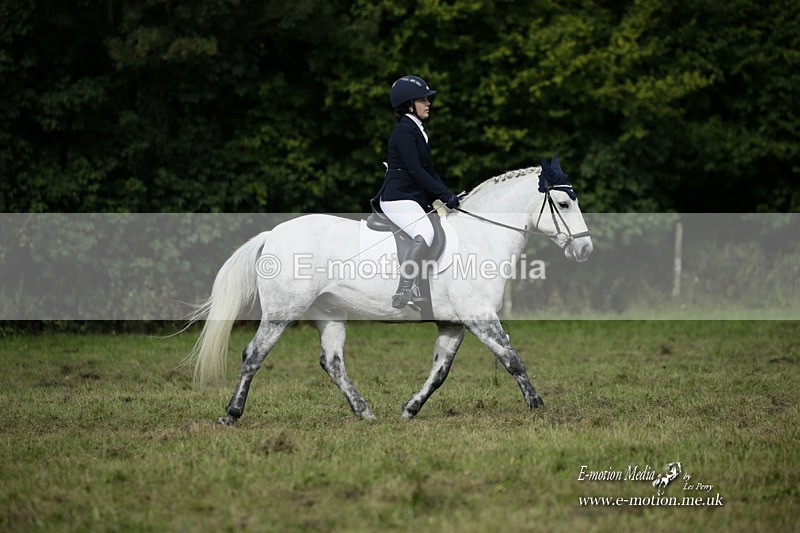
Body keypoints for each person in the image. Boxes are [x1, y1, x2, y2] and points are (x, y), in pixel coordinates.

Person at [371, 75, 460, 309]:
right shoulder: (404, 131)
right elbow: (416, 171)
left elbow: (429, 170)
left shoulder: (418, 129)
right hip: (397, 196)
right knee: (425, 231)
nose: (428, 103)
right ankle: (404, 290)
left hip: (411, 197)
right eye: (423, 100)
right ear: (409, 105)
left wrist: (447, 195)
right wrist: (443, 194)